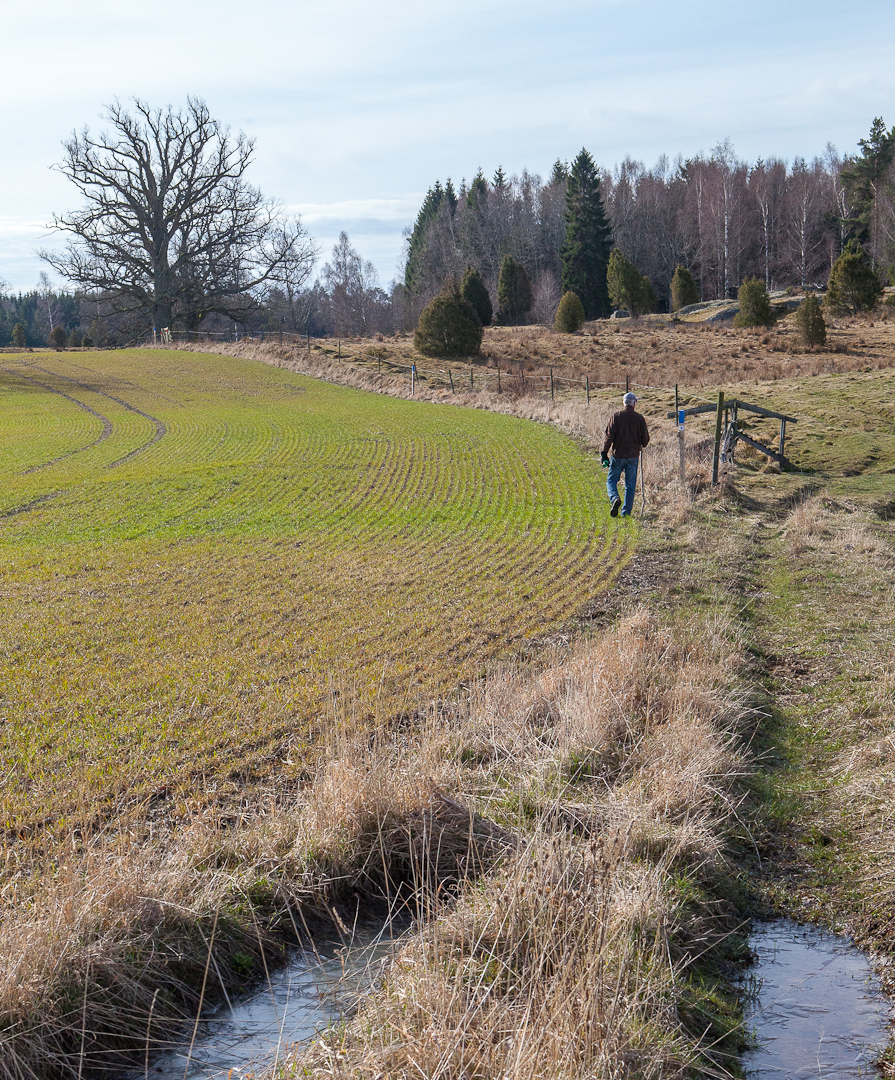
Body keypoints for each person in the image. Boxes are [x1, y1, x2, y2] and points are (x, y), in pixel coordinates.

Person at [601, 392, 650, 518]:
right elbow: (645, 441)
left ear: (624, 403)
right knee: (630, 485)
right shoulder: (639, 418)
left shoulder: (616, 416)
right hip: (633, 457)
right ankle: (625, 512)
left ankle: (614, 498)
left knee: (611, 481)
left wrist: (604, 453)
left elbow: (608, 437)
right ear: (634, 403)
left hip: (617, 456)